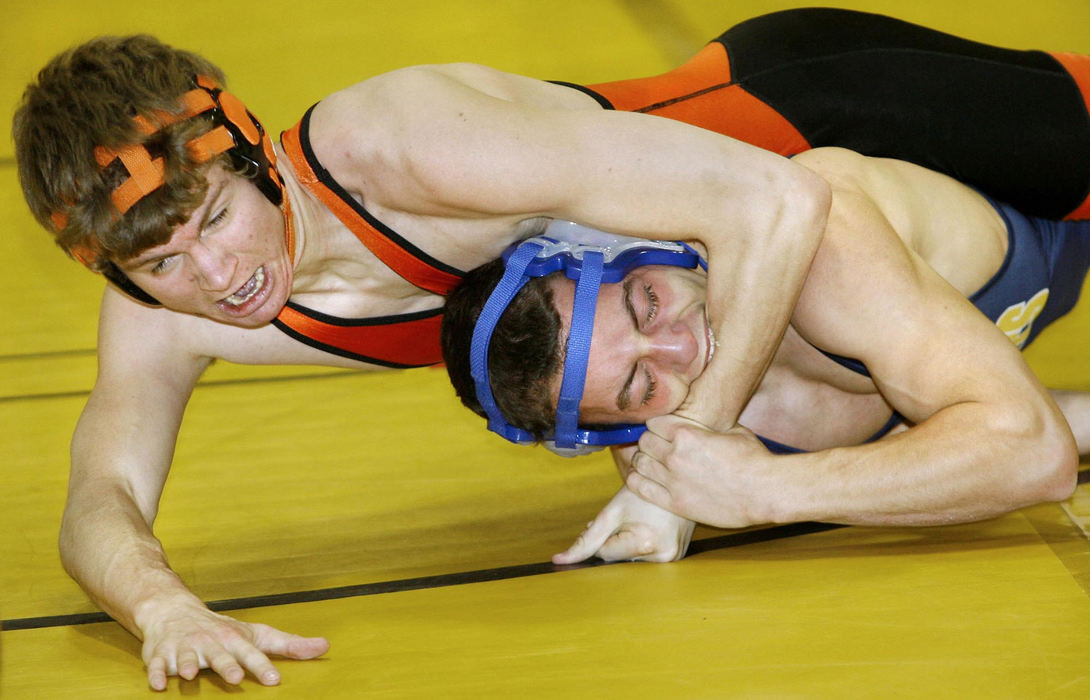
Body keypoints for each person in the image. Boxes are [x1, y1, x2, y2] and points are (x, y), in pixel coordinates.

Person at [12, 6, 1090, 690]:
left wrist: (686, 466)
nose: (214, 278)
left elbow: (769, 200)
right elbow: (99, 492)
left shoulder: (391, 143)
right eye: (162, 266)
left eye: (213, 221)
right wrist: (159, 605)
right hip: (800, 291)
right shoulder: (164, 304)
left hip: (811, 114)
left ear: (250, 152)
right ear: (115, 269)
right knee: (773, 420)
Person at [441, 146, 1089, 564]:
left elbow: (1032, 450)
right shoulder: (660, 448)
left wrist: (769, 489)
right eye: (642, 386)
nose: (681, 345)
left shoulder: (823, 255)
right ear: (622, 427)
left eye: (647, 303)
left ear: (641, 246)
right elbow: (999, 418)